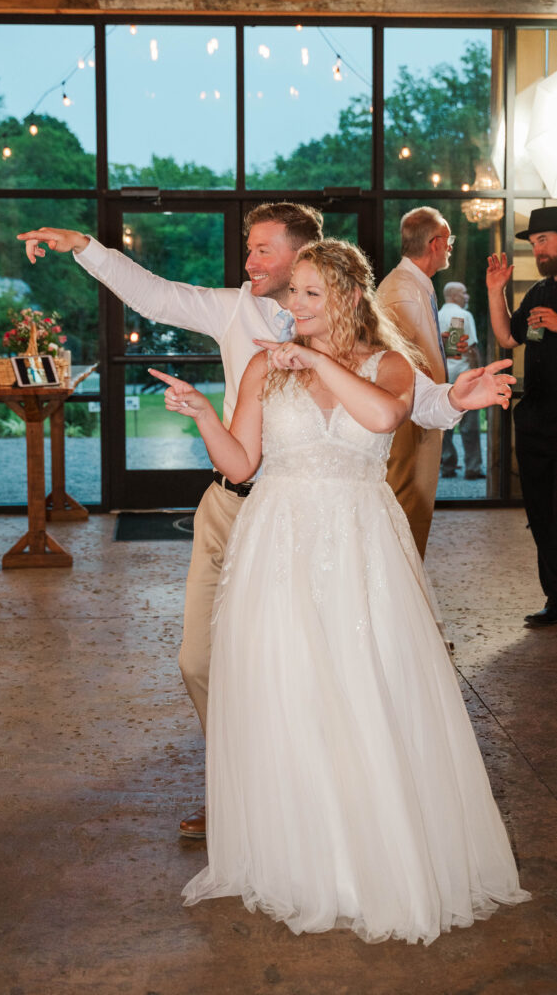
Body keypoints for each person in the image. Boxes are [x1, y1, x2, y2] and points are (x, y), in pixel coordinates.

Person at [18, 210, 516, 839]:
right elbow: (152, 294)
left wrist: (456, 399)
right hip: (241, 508)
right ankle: (242, 788)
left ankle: (323, 806)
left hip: (342, 522)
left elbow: (411, 402)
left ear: (309, 257)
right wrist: (82, 245)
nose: (248, 262)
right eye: (247, 251)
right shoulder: (236, 312)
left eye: (261, 251)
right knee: (205, 661)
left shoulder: (370, 344)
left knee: (334, 668)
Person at [149, 239, 529, 942]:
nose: (289, 306)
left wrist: (444, 393)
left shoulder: (385, 362)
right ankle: (299, 859)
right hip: (277, 543)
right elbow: (241, 463)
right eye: (289, 292)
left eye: (306, 294)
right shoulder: (266, 364)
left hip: (359, 545)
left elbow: (390, 416)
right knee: (288, 690)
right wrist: (203, 415)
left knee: (364, 686)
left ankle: (372, 856)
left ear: (348, 300)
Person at [487, 205, 557, 628]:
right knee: (543, 513)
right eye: (534, 244)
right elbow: (508, 339)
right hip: (538, 422)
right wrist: (496, 291)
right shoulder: (540, 293)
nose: (538, 250)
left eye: (544, 240)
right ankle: (555, 596)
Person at [377, 207, 453, 558]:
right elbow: (402, 360)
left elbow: (415, 345)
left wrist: (446, 345)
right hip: (412, 417)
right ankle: (401, 590)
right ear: (435, 243)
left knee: (416, 507)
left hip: (419, 413)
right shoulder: (401, 290)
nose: (450, 248)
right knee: (408, 503)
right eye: (448, 241)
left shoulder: (414, 285)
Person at [438, 281, 484, 480]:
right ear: (455, 295)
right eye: (464, 293)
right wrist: (481, 373)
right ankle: (472, 467)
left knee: (445, 423)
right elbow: (471, 348)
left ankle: (448, 464)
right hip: (464, 375)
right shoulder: (463, 316)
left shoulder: (436, 315)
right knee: (470, 425)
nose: (468, 297)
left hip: (442, 377)